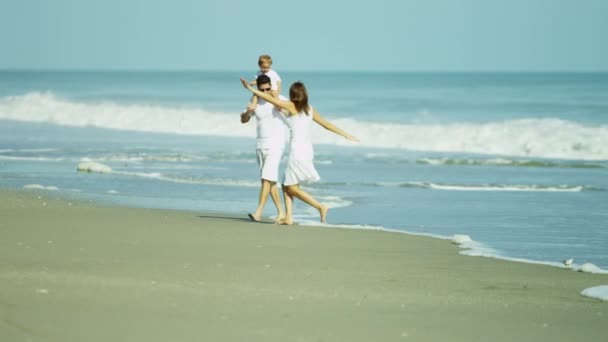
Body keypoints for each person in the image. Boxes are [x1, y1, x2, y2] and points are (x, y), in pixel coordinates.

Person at [240, 77, 358, 225]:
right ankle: (289, 217)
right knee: (285, 183)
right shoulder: (309, 109)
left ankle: (320, 206)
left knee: (290, 187)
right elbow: (326, 124)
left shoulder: (290, 106)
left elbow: (267, 99)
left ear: (293, 94)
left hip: (297, 151)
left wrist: (251, 89)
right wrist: (346, 134)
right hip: (307, 150)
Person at [240, 74, 288, 223]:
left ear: (271, 86)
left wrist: (278, 103)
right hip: (261, 144)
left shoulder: (281, 98)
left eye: (268, 89)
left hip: (276, 143)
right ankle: (281, 212)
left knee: (266, 178)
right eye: (263, 90)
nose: (266, 93)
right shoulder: (255, 100)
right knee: (269, 180)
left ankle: (258, 212)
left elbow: (291, 113)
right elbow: (244, 120)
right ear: (258, 89)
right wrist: (248, 111)